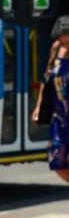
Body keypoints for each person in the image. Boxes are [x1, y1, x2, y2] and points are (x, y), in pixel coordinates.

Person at [32, 15, 69, 186]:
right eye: (64, 43)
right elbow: (46, 78)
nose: (66, 46)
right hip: (60, 115)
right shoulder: (55, 49)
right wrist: (39, 106)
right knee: (57, 161)